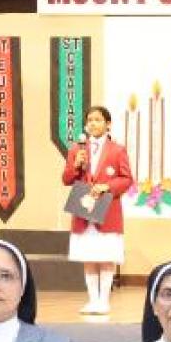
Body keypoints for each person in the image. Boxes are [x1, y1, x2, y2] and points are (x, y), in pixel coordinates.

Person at [62, 105, 133, 316]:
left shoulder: (117, 150)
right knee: (89, 255)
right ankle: (92, 301)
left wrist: (107, 186)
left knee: (105, 255)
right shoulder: (77, 149)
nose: (93, 123)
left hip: (107, 209)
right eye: (90, 120)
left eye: (98, 120)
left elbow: (127, 179)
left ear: (108, 124)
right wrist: (76, 165)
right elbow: (66, 179)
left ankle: (104, 301)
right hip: (84, 208)